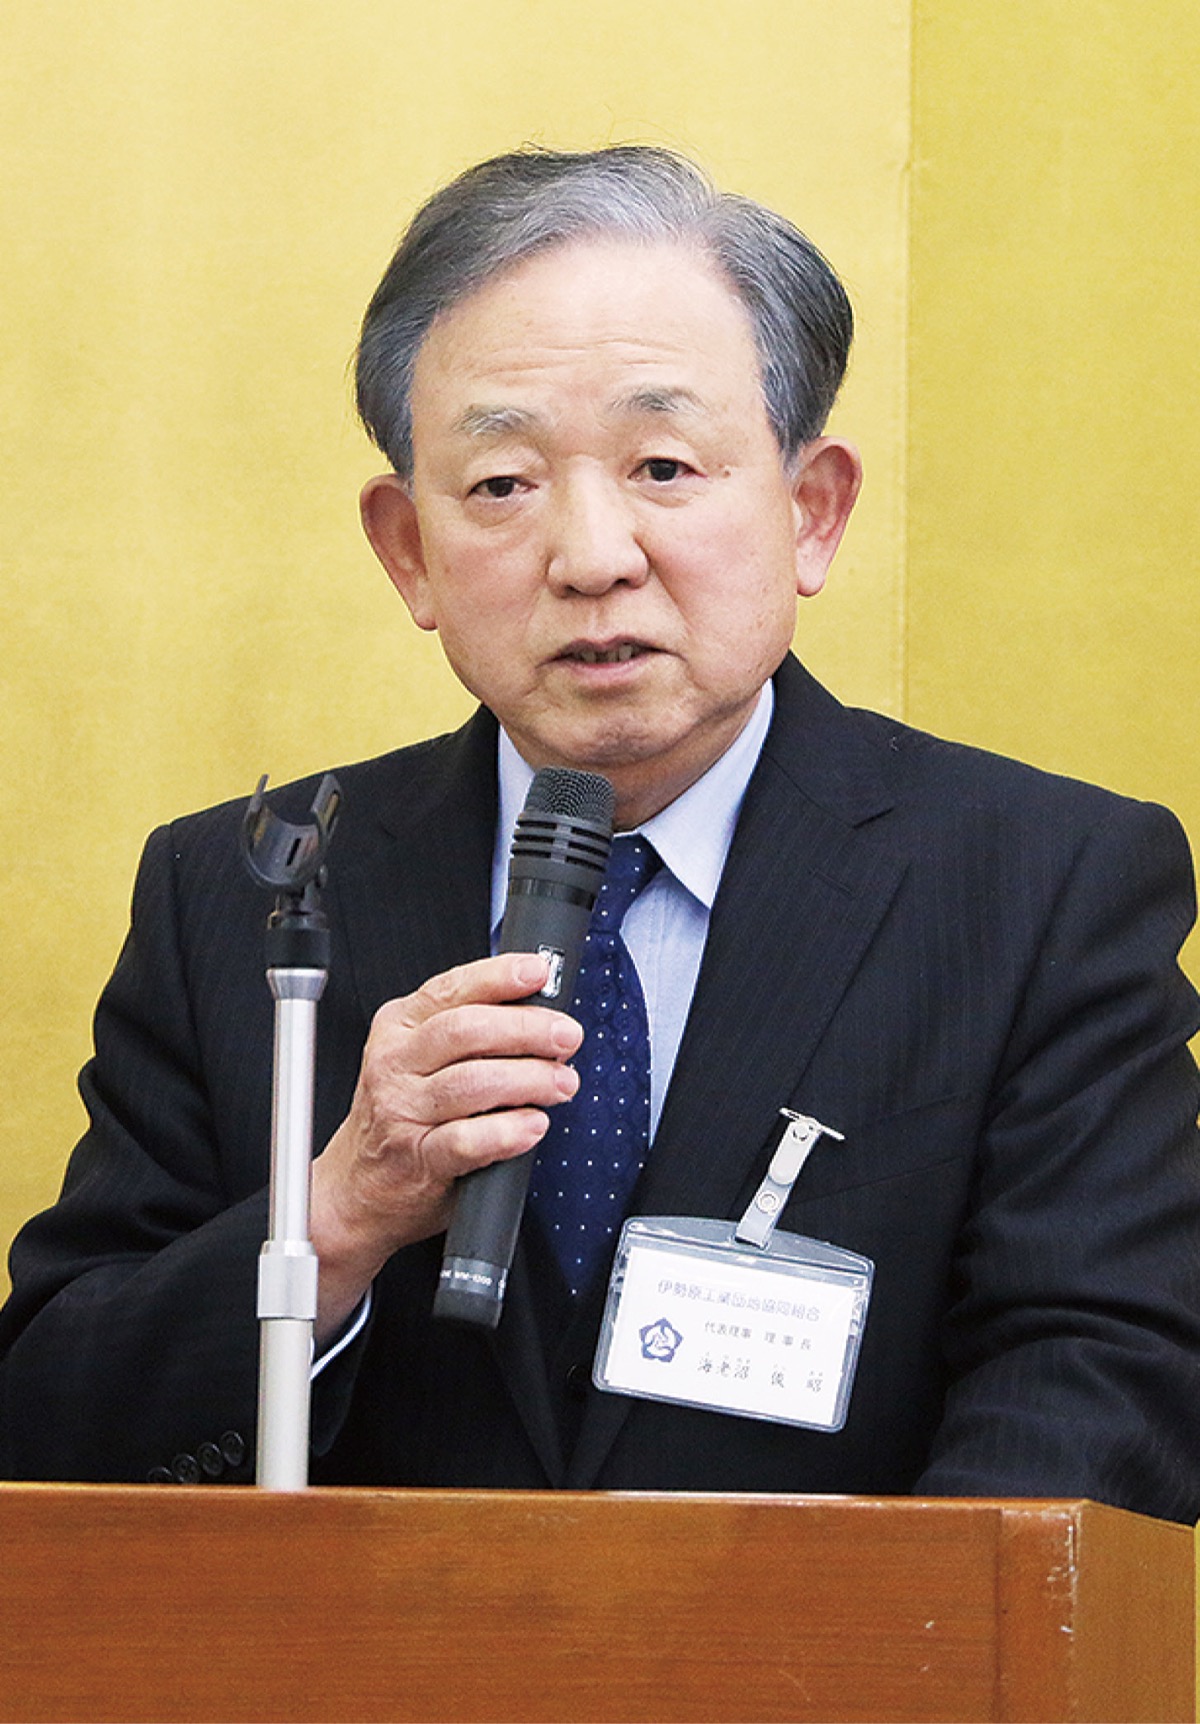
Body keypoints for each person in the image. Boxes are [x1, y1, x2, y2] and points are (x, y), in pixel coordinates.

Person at [3, 146, 1200, 1517]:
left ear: (811, 511)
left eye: (664, 466)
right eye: (502, 485)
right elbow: (50, 1426)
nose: (591, 555)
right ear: (409, 551)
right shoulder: (245, 895)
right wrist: (333, 1220)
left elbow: (1108, 1381)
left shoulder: (1041, 887)